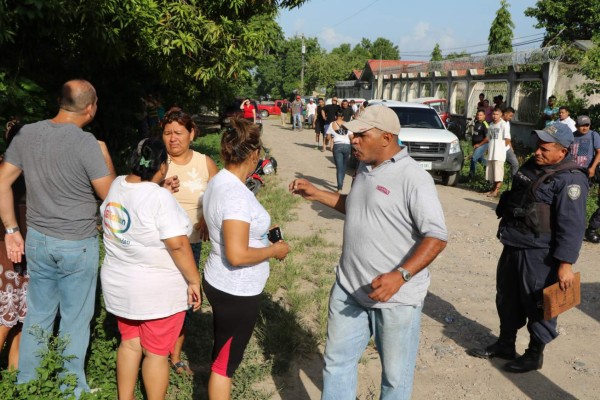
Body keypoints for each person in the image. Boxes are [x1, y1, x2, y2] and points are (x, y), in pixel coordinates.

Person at [289, 106, 447, 399]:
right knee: (337, 365)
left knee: (395, 380)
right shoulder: (364, 167)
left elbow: (436, 236)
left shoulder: (414, 178)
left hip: (395, 299)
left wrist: (400, 276)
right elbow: (357, 206)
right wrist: (317, 193)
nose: (353, 139)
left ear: (386, 138)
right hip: (348, 288)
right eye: (353, 133)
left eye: (361, 134)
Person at [0, 79, 115, 396]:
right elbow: (109, 195)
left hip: (37, 239)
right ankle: (70, 388)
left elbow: (2, 182)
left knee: (39, 313)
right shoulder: (86, 143)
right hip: (77, 242)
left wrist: (12, 230)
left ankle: (27, 384)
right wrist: (105, 155)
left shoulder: (27, 134)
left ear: (60, 102)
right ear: (90, 108)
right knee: (76, 319)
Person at [468, 123, 589, 373]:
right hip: (514, 243)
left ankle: (534, 354)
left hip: (540, 254)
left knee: (539, 304)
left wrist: (565, 264)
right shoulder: (532, 167)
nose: (538, 152)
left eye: (545, 148)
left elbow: (572, 226)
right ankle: (505, 344)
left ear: (562, 151)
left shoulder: (571, 180)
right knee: (507, 297)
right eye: (537, 146)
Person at [100, 138, 201, 399]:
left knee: (130, 344)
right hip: (156, 292)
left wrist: (159, 189)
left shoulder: (117, 185)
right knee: (156, 353)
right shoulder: (158, 198)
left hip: (121, 286)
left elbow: (135, 208)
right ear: (163, 167)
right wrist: (193, 280)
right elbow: (178, 244)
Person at [202, 117, 290, 399]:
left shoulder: (218, 180)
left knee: (222, 353)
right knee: (224, 365)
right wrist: (274, 250)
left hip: (219, 280)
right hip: (236, 289)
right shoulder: (237, 196)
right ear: (253, 154)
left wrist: (262, 236)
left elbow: (231, 234)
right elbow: (237, 254)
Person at [162, 108, 218, 374]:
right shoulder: (158, 162)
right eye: (167, 133)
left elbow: (221, 196)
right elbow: (138, 195)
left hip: (191, 244)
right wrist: (159, 187)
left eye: (179, 132)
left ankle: (174, 354)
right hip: (158, 246)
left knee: (186, 299)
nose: (173, 138)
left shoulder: (204, 162)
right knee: (160, 299)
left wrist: (207, 216)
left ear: (192, 134)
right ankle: (155, 349)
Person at [0, 123, 28, 372]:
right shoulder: (7, 169)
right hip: (7, 252)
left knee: (22, 319)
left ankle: (13, 379)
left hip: (28, 254)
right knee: (5, 319)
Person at [568, 115, 600, 243]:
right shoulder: (572, 136)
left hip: (585, 173)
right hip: (571, 171)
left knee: (581, 200)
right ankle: (570, 228)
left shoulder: (593, 135)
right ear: (576, 126)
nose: (585, 127)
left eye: (587, 125)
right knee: (571, 200)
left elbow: (599, 151)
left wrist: (592, 168)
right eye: (582, 125)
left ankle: (583, 229)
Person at [326, 110, 354, 192]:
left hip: (337, 146)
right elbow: (351, 136)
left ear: (335, 116)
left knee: (339, 167)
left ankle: (340, 187)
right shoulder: (348, 124)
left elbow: (327, 138)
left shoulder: (332, 124)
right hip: (347, 146)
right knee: (344, 167)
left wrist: (330, 138)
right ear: (343, 117)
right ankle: (341, 183)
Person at [485, 107, 509, 197]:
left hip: (499, 153)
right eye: (493, 114)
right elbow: (489, 138)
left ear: (501, 115)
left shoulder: (503, 125)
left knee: (498, 172)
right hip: (492, 151)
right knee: (492, 172)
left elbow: (507, 139)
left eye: (497, 114)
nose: (495, 116)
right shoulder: (491, 124)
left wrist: (502, 149)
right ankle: (492, 190)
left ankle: (496, 191)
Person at [469, 110, 489, 179]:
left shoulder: (485, 124)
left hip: (482, 144)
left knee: (473, 159)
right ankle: (487, 168)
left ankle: (471, 176)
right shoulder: (476, 122)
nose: (478, 116)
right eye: (478, 115)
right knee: (480, 159)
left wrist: (479, 145)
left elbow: (487, 138)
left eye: (480, 115)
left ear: (484, 116)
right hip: (476, 144)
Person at [502, 107, 520, 178]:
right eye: (510, 116)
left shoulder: (507, 123)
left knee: (515, 164)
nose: (511, 118)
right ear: (505, 114)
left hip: (507, 148)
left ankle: (513, 181)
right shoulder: (499, 122)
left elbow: (508, 137)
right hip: (500, 149)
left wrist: (511, 147)